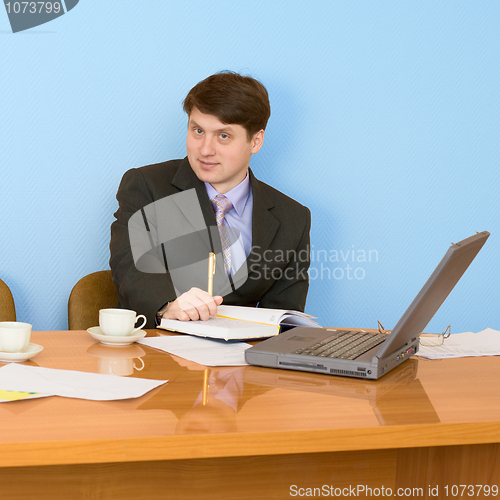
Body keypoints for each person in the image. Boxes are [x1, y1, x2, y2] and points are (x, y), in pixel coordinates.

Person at [110, 71, 311, 328]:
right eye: (197, 131)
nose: (205, 149)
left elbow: (283, 317)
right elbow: (129, 266)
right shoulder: (146, 186)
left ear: (256, 141)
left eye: (223, 136)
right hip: (155, 351)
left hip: (242, 361)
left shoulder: (292, 217)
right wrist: (169, 305)